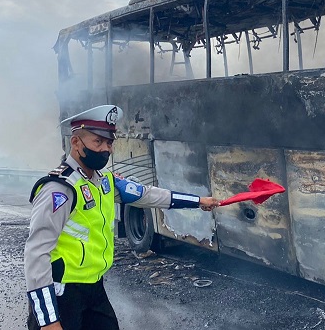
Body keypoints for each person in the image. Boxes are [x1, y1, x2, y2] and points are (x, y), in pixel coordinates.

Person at [24, 105, 219, 330]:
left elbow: (147, 195)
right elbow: (36, 254)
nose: (106, 149)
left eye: (109, 143)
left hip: (94, 288)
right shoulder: (59, 189)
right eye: (98, 142)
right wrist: (49, 321)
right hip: (63, 294)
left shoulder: (104, 181)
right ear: (76, 143)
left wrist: (198, 201)